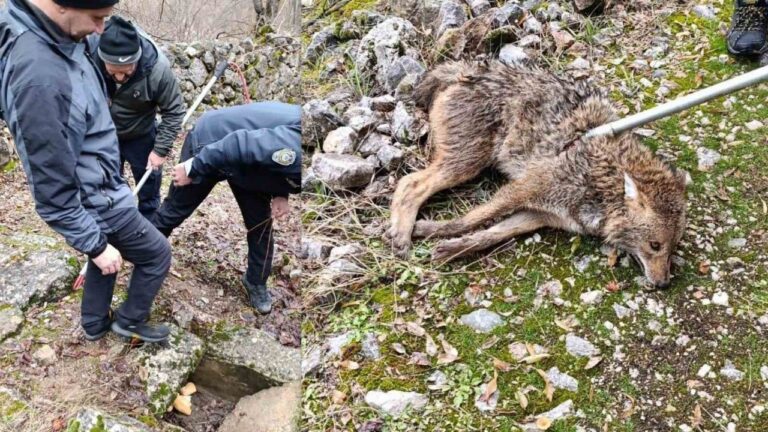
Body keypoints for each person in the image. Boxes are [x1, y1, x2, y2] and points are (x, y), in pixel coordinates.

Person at [0, 0, 172, 343]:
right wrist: (94, 245)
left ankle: (94, 324)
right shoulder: (40, 80)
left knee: (109, 254)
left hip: (99, 183)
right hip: (98, 197)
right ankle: (129, 322)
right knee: (156, 255)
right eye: (96, 19)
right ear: (59, 5)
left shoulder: (50, 28)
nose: (99, 30)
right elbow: (52, 195)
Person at [152, 102, 301, 314]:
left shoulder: (306, 143)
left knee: (260, 226)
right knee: (174, 211)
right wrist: (192, 167)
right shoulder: (298, 143)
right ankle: (144, 252)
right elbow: (239, 144)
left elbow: (277, 159)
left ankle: (255, 281)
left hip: (248, 165)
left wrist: (281, 192)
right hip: (213, 141)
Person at [92, 16, 185, 219]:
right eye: (112, 72)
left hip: (141, 134)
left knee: (149, 191)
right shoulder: (88, 56)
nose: (119, 78)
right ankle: (112, 232)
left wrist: (159, 150)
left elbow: (174, 111)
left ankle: (150, 233)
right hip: (103, 135)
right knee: (105, 188)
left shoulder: (157, 70)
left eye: (126, 72)